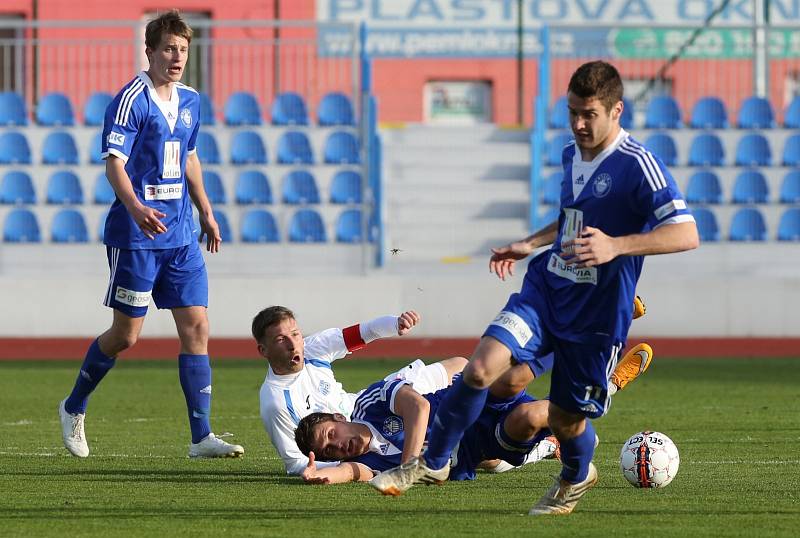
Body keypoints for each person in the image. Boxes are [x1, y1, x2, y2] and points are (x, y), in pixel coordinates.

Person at [370, 61, 699, 516]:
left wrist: (616, 245)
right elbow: (572, 218)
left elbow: (686, 233)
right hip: (547, 287)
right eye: (572, 113)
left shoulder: (639, 165)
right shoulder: (571, 154)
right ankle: (435, 461)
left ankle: (575, 475)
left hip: (597, 313)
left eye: (589, 114)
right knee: (481, 369)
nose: (579, 124)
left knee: (565, 419)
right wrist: (530, 243)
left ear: (617, 110)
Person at [57, 10, 243, 459]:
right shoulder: (130, 100)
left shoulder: (192, 100)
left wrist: (207, 212)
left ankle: (201, 437)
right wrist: (136, 207)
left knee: (197, 327)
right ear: (150, 51)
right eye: (169, 49)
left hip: (179, 236)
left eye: (183, 49)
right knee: (126, 336)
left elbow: (191, 158)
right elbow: (114, 164)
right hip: (136, 237)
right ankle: (73, 405)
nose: (177, 57)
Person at [253, 306, 466, 475]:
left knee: (460, 365)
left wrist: (396, 323)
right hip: (357, 449)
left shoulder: (312, 348)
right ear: (264, 350)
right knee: (470, 450)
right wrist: (347, 467)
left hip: (370, 408)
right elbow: (296, 463)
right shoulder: (276, 402)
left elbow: (364, 331)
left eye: (295, 334)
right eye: (281, 340)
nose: (293, 344)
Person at [293, 378, 557, 486]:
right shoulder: (363, 463)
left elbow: (419, 406)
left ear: (339, 417)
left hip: (470, 397)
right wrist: (320, 474)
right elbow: (347, 473)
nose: (336, 446)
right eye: (328, 450)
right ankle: (557, 436)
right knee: (531, 417)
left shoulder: (369, 403)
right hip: (479, 444)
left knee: (511, 376)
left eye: (330, 435)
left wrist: (408, 467)